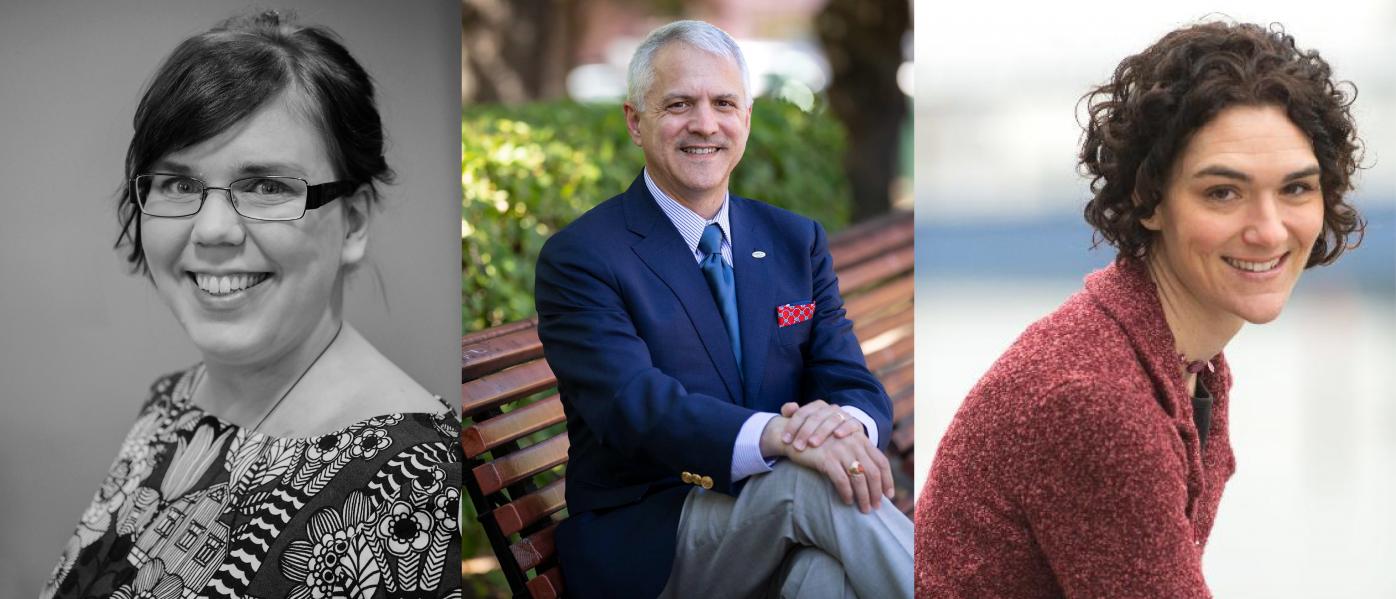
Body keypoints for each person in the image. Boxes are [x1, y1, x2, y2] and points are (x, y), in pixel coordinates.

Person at [915, 21, 1363, 598]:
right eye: (1222, 192)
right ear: (1148, 200)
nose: (1269, 229)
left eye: (1297, 189)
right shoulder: (1095, 398)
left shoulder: (1177, 360)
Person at [40, 12, 461, 599]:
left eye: (266, 187)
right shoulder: (171, 403)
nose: (213, 230)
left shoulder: (410, 485)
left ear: (355, 221)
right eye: (178, 184)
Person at [534, 19, 913, 599]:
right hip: (652, 536)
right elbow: (634, 407)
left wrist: (844, 425)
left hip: (778, 522)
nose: (705, 124)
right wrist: (778, 437)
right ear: (636, 121)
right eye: (679, 104)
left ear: (747, 119)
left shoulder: (794, 240)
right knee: (814, 486)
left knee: (824, 576)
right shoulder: (583, 257)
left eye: (724, 103)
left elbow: (849, 378)